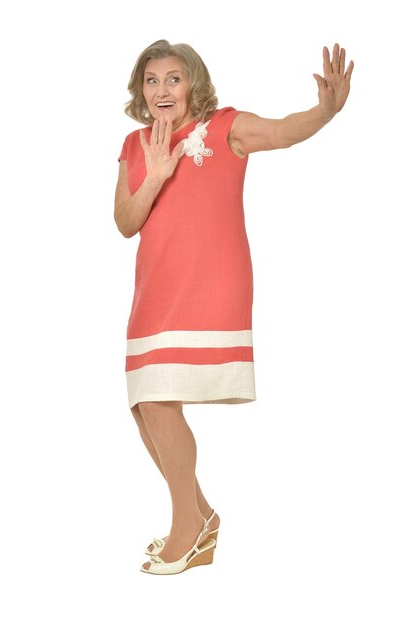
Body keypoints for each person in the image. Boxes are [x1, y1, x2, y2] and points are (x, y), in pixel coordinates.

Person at [114, 39, 354, 575]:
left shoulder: (225, 127)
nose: (162, 90)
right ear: (140, 90)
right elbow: (126, 222)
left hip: (210, 282)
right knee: (143, 405)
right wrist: (155, 175)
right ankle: (200, 516)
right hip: (155, 289)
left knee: (156, 401)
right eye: (152, 81)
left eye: (173, 79)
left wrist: (324, 110)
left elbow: (282, 131)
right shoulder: (133, 145)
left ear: (193, 82)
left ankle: (186, 528)